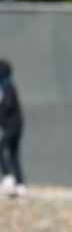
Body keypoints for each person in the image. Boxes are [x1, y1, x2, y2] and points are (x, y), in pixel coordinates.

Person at [0, 59, 25, 197]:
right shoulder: (6, 85)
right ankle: (20, 186)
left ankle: (8, 179)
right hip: (14, 125)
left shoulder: (7, 86)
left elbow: (7, 105)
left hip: (13, 126)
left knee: (2, 148)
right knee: (14, 155)